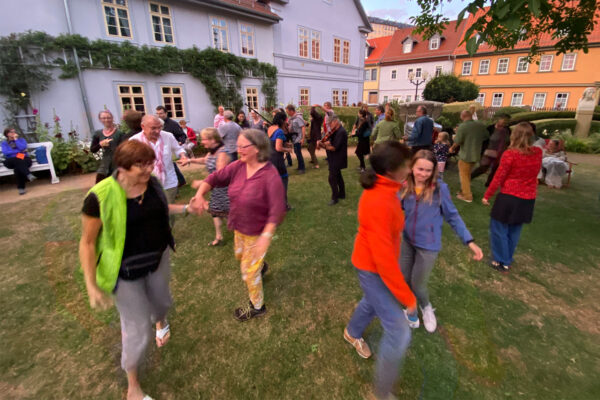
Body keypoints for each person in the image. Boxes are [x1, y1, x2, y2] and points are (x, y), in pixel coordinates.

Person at [79, 140, 192, 400]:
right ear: (123, 166)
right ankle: (133, 387)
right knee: (137, 327)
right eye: (140, 165)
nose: (147, 169)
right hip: (124, 271)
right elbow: (86, 243)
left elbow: (162, 210)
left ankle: (161, 321)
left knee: (163, 302)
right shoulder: (100, 195)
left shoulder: (151, 184)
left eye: (150, 162)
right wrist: (91, 284)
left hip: (157, 258)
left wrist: (187, 208)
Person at [344, 141, 415, 400]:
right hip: (371, 267)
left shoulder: (386, 187)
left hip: (374, 263)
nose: (410, 168)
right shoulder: (379, 201)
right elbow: (383, 260)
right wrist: (407, 298)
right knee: (399, 331)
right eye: (407, 165)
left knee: (372, 302)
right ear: (393, 170)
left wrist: (400, 189)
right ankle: (382, 394)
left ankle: (352, 332)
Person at [190, 129, 286, 321]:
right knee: (240, 256)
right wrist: (200, 194)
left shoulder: (270, 175)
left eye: (243, 146)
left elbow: (277, 210)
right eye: (238, 146)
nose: (238, 150)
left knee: (248, 273)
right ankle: (260, 266)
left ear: (257, 149)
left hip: (257, 232)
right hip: (239, 227)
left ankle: (258, 307)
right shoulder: (238, 166)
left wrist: (266, 237)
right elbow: (214, 178)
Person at [400, 150, 483, 333]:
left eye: (428, 171)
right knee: (404, 279)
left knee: (418, 284)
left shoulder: (439, 189)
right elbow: (395, 210)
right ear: (412, 167)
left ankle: (425, 307)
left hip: (428, 246)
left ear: (434, 171)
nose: (423, 174)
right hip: (406, 241)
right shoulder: (404, 186)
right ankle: (411, 308)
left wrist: (469, 241)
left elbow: (453, 216)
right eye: (420, 169)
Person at [482, 122, 543, 272]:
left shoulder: (510, 154)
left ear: (514, 136)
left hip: (509, 196)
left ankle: (500, 260)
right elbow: (535, 173)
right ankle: (507, 259)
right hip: (527, 198)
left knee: (498, 228)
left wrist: (487, 195)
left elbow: (499, 176)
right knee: (514, 229)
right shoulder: (538, 152)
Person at [129, 115, 189, 205]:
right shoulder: (134, 141)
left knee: (168, 210)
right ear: (143, 127)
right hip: (146, 185)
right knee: (151, 212)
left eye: (159, 128)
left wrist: (183, 156)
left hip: (169, 181)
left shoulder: (168, 136)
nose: (157, 131)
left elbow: (178, 149)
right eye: (153, 128)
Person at [190, 128, 231, 245]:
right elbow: (204, 160)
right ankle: (219, 237)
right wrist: (189, 160)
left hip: (225, 189)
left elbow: (220, 175)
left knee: (230, 214)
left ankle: (248, 231)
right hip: (216, 189)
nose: (202, 142)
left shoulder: (222, 153)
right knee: (215, 211)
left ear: (213, 139)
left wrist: (202, 183)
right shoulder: (212, 151)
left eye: (204, 139)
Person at [450, 110, 489, 203]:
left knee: (464, 175)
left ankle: (467, 196)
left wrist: (452, 148)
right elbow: (486, 136)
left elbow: (458, 140)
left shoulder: (463, 126)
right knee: (467, 174)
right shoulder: (480, 125)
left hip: (466, 155)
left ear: (462, 116)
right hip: (476, 154)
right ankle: (463, 191)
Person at [471, 115, 510, 187]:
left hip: (500, 152)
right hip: (488, 151)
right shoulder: (490, 128)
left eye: (505, 121)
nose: (504, 123)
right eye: (502, 120)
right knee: (483, 167)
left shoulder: (507, 130)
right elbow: (483, 138)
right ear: (498, 120)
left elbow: (508, 141)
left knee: (495, 169)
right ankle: (470, 177)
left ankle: (489, 183)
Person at [90, 110, 126, 183]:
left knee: (117, 184)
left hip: (117, 163)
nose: (106, 120)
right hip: (105, 164)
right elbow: (93, 149)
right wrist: (100, 144)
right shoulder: (98, 134)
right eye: (103, 118)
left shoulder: (120, 133)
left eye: (108, 118)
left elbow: (124, 149)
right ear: (100, 120)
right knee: (100, 184)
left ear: (112, 119)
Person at [156, 106, 187, 188]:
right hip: (160, 150)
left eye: (161, 113)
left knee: (171, 165)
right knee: (170, 165)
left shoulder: (173, 124)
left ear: (166, 113)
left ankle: (179, 182)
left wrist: (180, 142)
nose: (159, 115)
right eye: (157, 113)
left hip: (171, 148)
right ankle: (180, 181)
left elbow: (182, 135)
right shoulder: (157, 123)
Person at [267, 111, 293, 210]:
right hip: (277, 160)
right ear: (282, 120)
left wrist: (286, 144)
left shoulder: (270, 128)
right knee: (283, 180)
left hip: (269, 158)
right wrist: (288, 149)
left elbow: (273, 142)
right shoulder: (279, 131)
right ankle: (283, 205)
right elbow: (278, 147)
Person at [322, 116, 348, 205]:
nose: (329, 125)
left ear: (336, 121)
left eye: (330, 123)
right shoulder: (336, 131)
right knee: (338, 176)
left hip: (337, 158)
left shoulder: (341, 132)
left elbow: (334, 148)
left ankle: (335, 198)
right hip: (335, 157)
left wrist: (323, 146)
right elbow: (331, 142)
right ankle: (342, 194)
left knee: (332, 178)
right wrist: (324, 142)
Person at [1, 127, 35, 195]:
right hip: (10, 161)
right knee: (17, 160)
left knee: (17, 168)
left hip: (24, 159)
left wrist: (16, 140)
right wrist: (19, 152)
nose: (14, 133)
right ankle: (28, 174)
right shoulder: (4, 143)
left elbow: (23, 147)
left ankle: (21, 188)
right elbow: (6, 153)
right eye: (12, 132)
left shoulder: (21, 140)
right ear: (7, 134)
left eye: (14, 131)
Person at [286, 104, 306, 174]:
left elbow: (303, 127)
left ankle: (302, 168)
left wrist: (303, 138)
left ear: (291, 111)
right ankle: (300, 166)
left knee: (298, 153)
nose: (287, 113)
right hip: (294, 138)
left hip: (299, 138)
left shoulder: (298, 117)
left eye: (287, 111)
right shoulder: (291, 118)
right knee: (296, 152)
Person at [351, 108, 372, 172]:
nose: (358, 114)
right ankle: (361, 166)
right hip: (363, 140)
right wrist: (354, 134)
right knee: (360, 153)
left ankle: (363, 167)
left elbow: (360, 133)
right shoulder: (363, 120)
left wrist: (353, 135)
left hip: (363, 141)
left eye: (358, 113)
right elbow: (360, 132)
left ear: (361, 114)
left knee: (359, 153)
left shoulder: (364, 122)